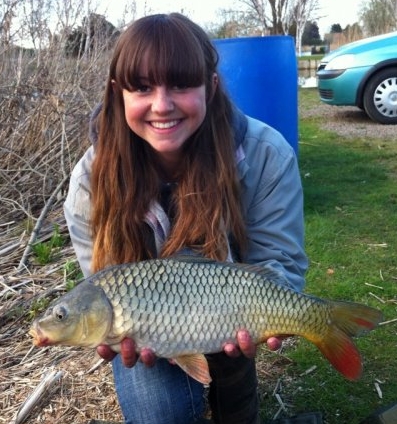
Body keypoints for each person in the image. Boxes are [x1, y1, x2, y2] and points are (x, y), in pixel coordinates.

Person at [64, 12, 307, 424]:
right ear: (116, 93)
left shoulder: (268, 154)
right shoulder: (89, 182)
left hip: (235, 314)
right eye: (142, 87)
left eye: (180, 84)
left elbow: (280, 263)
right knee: (158, 410)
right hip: (150, 337)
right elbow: (103, 282)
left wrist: (270, 314)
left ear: (210, 88)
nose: (162, 105)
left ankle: (236, 388)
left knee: (234, 371)